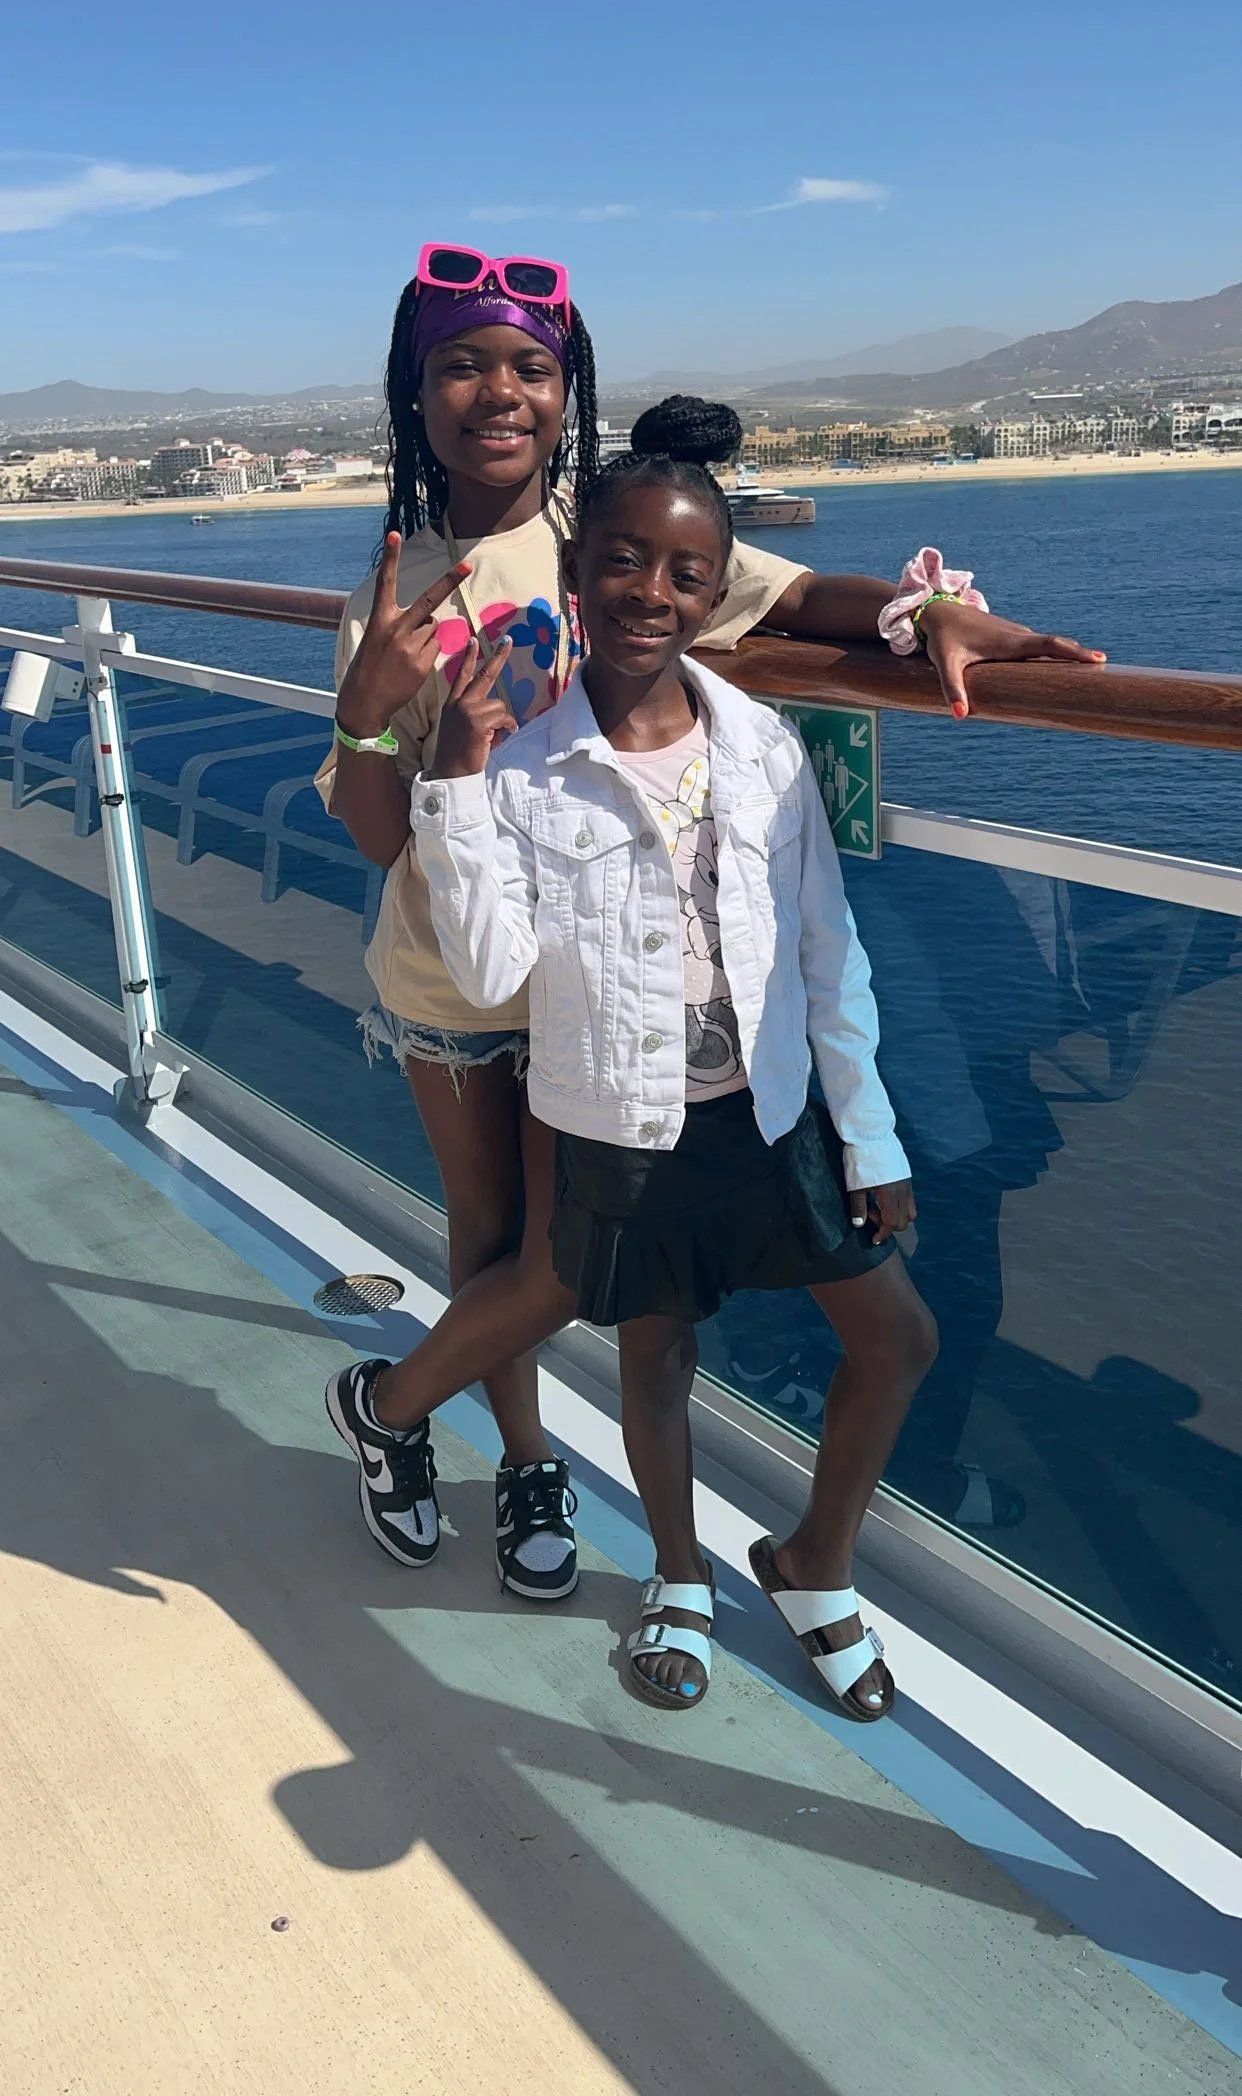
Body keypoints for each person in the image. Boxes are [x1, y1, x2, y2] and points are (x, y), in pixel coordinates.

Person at [319, 240, 1104, 1605]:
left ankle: (403, 1412)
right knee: (491, 1237)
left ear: (568, 394)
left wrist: (933, 621)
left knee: (571, 1260)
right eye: (462, 364)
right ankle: (520, 1463)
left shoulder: (613, 540)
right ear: (417, 388)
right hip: (455, 978)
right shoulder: (392, 594)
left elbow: (795, 597)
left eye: (530, 368)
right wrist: (372, 716)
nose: (498, 393)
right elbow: (383, 837)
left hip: (601, 990)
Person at [407, 421, 938, 1717]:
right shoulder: (527, 766)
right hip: (623, 1118)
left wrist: (866, 1136)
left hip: (768, 1109)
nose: (651, 592)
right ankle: (681, 1577)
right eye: (623, 562)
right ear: (577, 572)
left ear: (715, 592)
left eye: (685, 573)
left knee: (895, 1338)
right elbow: (485, 980)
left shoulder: (761, 747)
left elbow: (826, 949)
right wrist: (454, 788)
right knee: (656, 1358)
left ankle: (815, 1559)